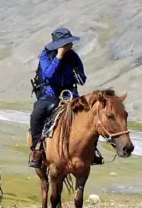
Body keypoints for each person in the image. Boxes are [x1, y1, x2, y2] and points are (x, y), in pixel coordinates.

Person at [28, 27, 101, 169]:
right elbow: (48, 74)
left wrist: (77, 72)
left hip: (71, 94)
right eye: (67, 43)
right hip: (49, 95)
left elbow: (82, 79)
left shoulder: (73, 57)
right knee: (37, 115)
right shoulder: (45, 56)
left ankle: (92, 150)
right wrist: (59, 57)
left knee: (91, 116)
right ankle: (37, 149)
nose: (71, 46)